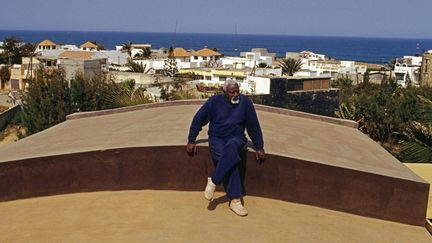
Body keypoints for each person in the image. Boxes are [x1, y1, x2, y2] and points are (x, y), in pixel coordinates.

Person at [186, 80, 266, 216]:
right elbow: (199, 119)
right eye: (232, 92)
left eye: (237, 91)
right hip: (217, 138)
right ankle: (235, 200)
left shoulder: (245, 102)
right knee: (230, 161)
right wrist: (191, 140)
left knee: (232, 146)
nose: (235, 94)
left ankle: (214, 181)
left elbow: (253, 125)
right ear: (224, 93)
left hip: (237, 138)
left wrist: (259, 147)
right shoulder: (214, 102)